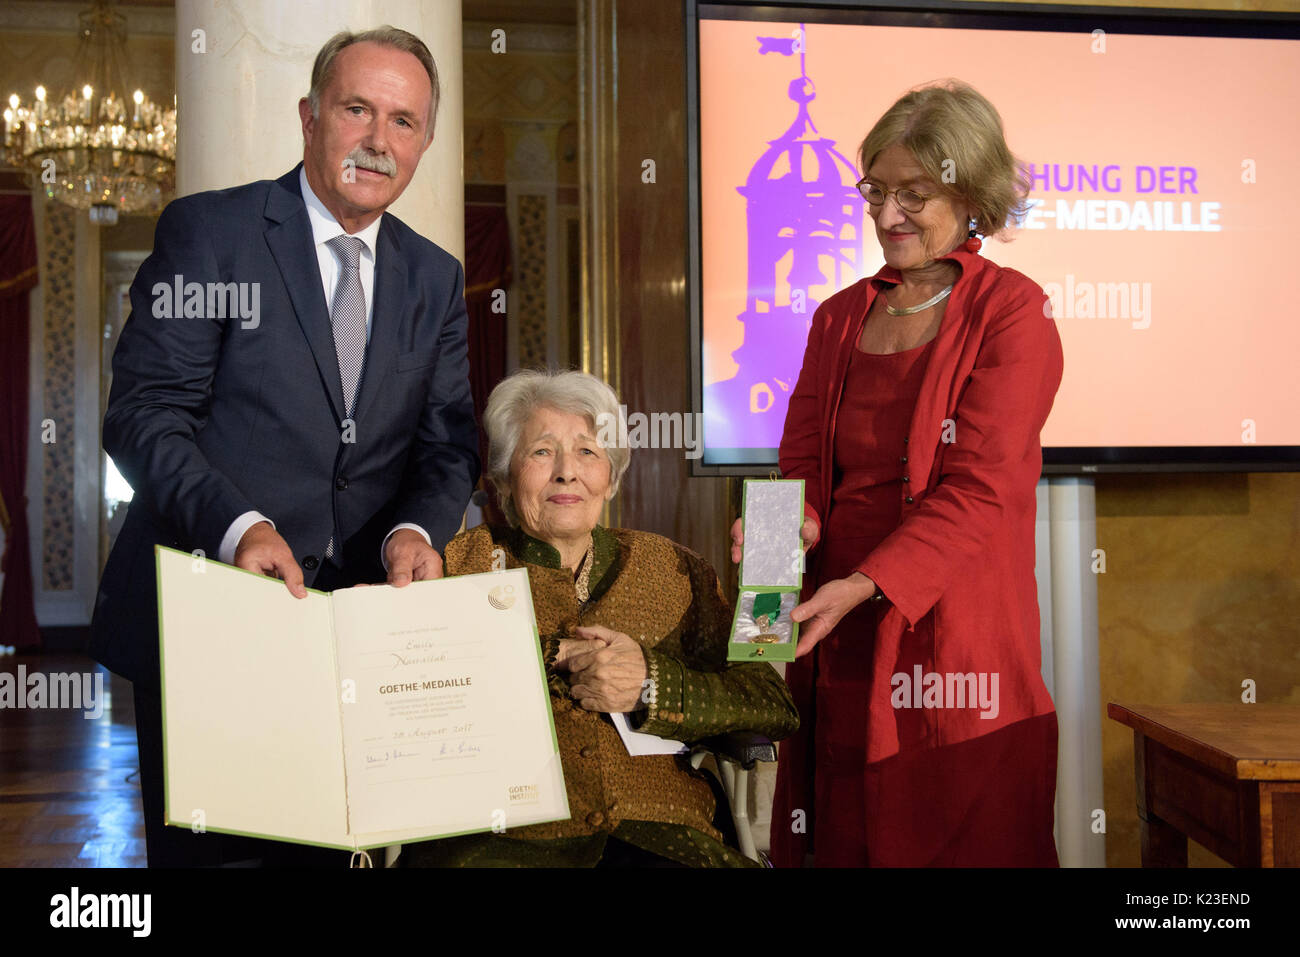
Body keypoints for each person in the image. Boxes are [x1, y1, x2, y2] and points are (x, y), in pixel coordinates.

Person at [91, 27, 479, 867]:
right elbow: (146, 415)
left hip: (363, 633)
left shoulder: (437, 277)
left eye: (405, 122)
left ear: (425, 142)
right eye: (357, 110)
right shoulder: (212, 233)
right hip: (213, 625)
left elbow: (447, 443)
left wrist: (415, 532)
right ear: (309, 118)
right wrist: (238, 526)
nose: (380, 140)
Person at [733, 81, 1063, 867]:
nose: (886, 217)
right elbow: (801, 468)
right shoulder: (838, 315)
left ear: (972, 192)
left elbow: (982, 489)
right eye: (875, 191)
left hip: (953, 643)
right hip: (835, 630)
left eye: (913, 195)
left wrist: (868, 584)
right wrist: (774, 562)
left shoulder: (1015, 313)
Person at [401, 370, 799, 867]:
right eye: (542, 451)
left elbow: (771, 701)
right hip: (501, 838)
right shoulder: (458, 565)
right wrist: (546, 655)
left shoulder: (676, 569)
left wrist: (652, 686)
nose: (567, 472)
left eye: (588, 452)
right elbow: (408, 696)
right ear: (502, 478)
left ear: (610, 478)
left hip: (664, 834)